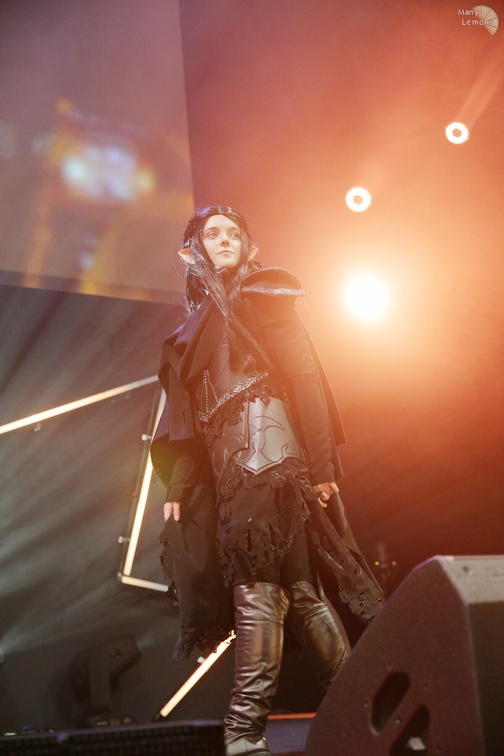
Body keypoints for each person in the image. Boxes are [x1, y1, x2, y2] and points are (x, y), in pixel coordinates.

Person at [150, 206, 384, 756]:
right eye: (212, 234)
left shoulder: (265, 296)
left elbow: (305, 378)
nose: (224, 240)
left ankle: (243, 731)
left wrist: (321, 468)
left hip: (273, 462)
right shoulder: (187, 332)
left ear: (249, 248)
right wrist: (179, 488)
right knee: (300, 589)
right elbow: (187, 424)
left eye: (234, 234)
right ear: (191, 252)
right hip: (228, 473)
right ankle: (364, 713)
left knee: (256, 584)